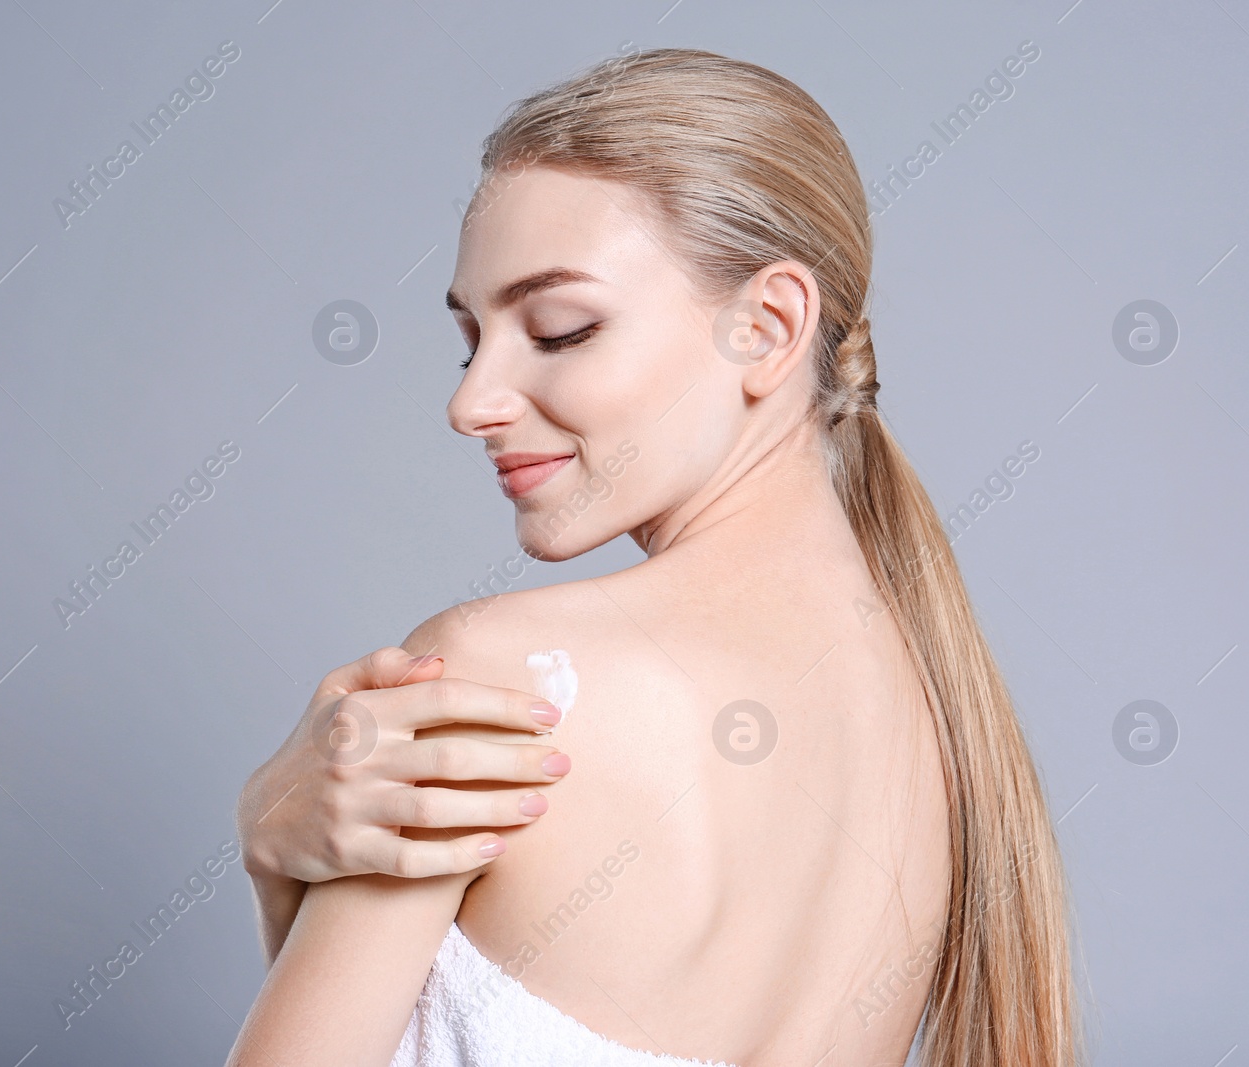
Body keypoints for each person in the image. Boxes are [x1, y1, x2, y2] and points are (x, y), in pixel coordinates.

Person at [228, 47, 1079, 1067]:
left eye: (559, 328)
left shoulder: (507, 685)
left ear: (765, 328)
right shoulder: (943, 730)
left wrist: (266, 840)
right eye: (471, 341)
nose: (469, 402)